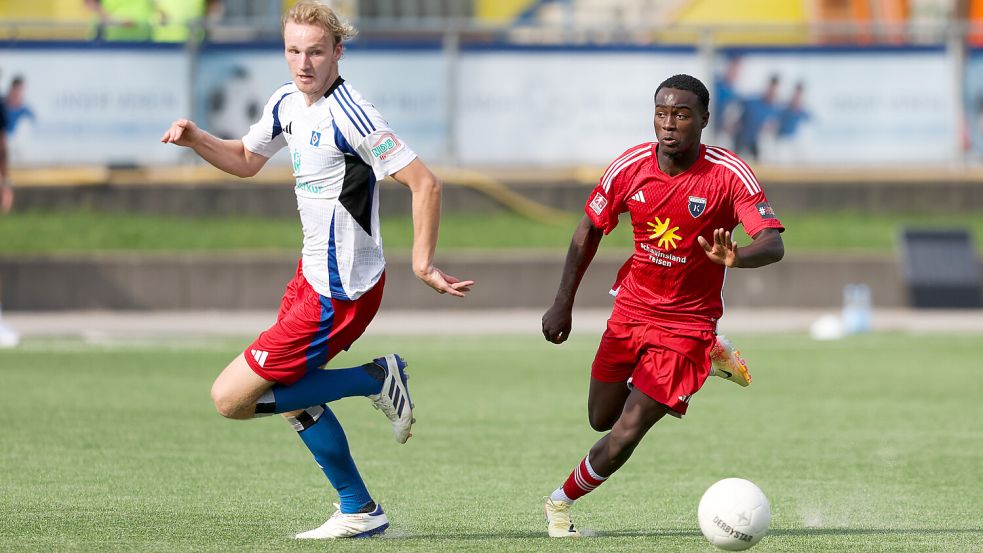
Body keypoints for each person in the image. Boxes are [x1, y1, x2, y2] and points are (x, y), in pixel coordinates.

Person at [161, 0, 473, 539]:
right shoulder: (287, 101)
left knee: (231, 400)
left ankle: (373, 379)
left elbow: (426, 182)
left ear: (338, 53)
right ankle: (359, 509)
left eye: (316, 52)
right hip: (310, 279)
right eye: (293, 51)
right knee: (291, 398)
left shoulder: (353, 114)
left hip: (342, 292)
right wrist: (196, 140)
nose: (303, 63)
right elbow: (244, 158)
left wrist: (422, 263)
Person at [540, 74, 784, 537]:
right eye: (662, 113)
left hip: (688, 323)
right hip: (631, 310)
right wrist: (562, 302)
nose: (669, 124)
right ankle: (710, 357)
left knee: (628, 430)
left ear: (705, 120)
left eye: (682, 114)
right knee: (600, 418)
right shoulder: (631, 166)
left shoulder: (729, 174)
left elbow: (772, 244)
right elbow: (588, 230)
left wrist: (738, 257)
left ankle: (559, 503)